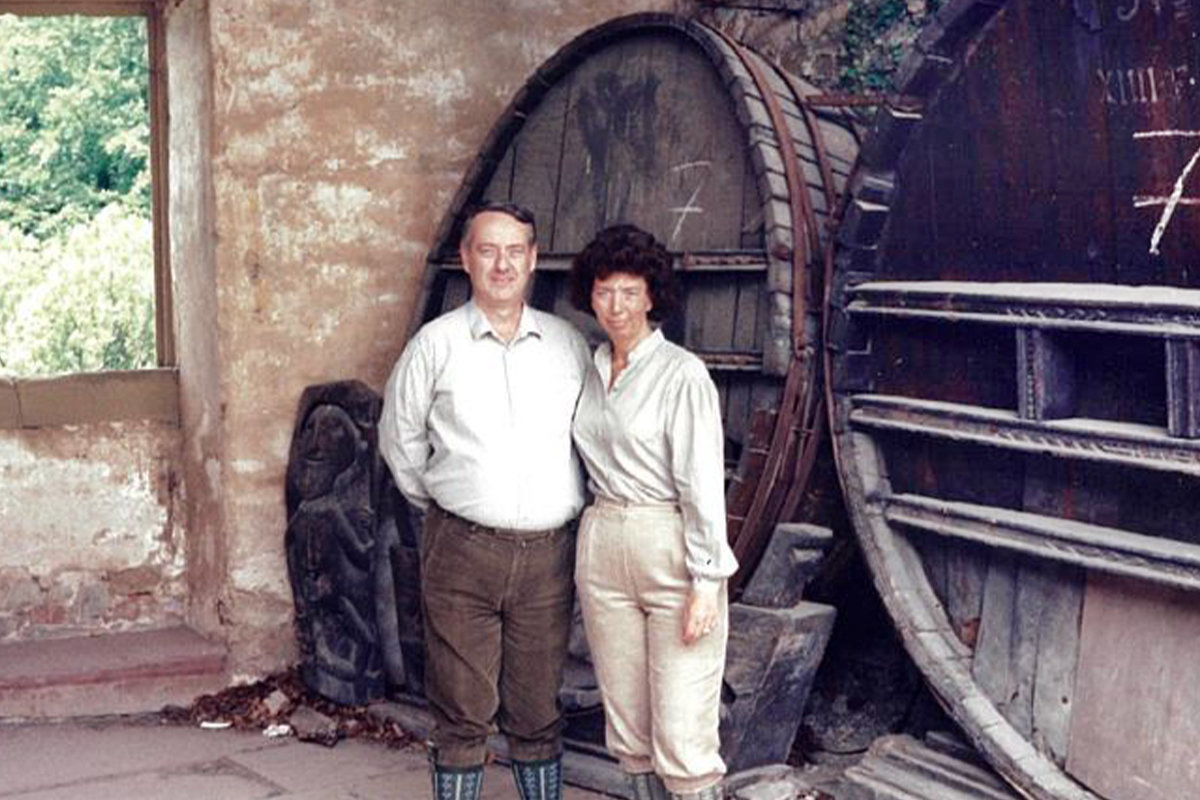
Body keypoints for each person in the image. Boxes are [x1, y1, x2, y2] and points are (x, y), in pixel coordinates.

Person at [379, 201, 591, 800]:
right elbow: (400, 443)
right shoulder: (436, 345)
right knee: (461, 704)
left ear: (533, 260)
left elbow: (591, 439)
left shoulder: (566, 346)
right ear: (467, 259)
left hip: (549, 556)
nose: (503, 264)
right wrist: (457, 506)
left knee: (536, 705)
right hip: (461, 550)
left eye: (516, 251)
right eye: (488, 250)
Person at [568, 224, 737, 800]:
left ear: (651, 296)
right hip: (602, 540)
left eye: (629, 292)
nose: (615, 306)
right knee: (629, 728)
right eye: (604, 291)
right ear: (589, 296)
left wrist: (707, 582)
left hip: (667, 540)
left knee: (683, 730)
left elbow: (701, 484)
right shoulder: (588, 368)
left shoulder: (681, 374)